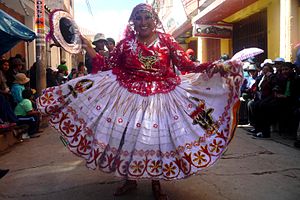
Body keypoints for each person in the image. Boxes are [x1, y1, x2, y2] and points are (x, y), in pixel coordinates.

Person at [37, 3, 245, 199]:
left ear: (155, 20)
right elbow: (106, 63)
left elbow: (187, 65)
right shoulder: (126, 44)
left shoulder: (167, 41)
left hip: (161, 97)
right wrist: (86, 45)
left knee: (155, 140)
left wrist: (215, 66)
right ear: (132, 22)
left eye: (147, 17)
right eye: (138, 18)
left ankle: (156, 183)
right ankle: (130, 179)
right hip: (128, 97)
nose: (143, 21)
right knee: (128, 138)